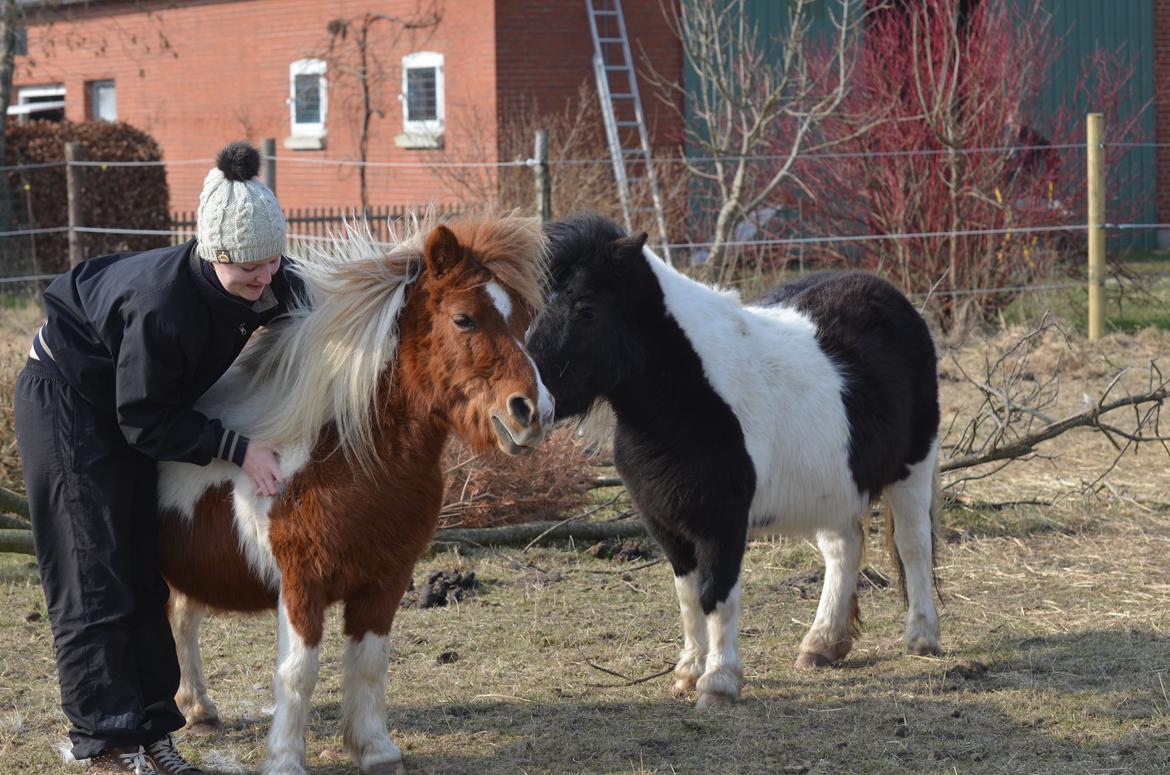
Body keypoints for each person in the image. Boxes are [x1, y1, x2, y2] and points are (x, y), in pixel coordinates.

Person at [13, 141, 303, 774]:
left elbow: (318, 305)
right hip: (67, 400)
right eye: (248, 270)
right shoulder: (161, 306)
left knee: (143, 569)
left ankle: (153, 733)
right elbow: (143, 419)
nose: (264, 282)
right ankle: (108, 743)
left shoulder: (269, 277)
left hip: (128, 404)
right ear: (213, 255)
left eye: (273, 264)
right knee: (94, 576)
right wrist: (238, 447)